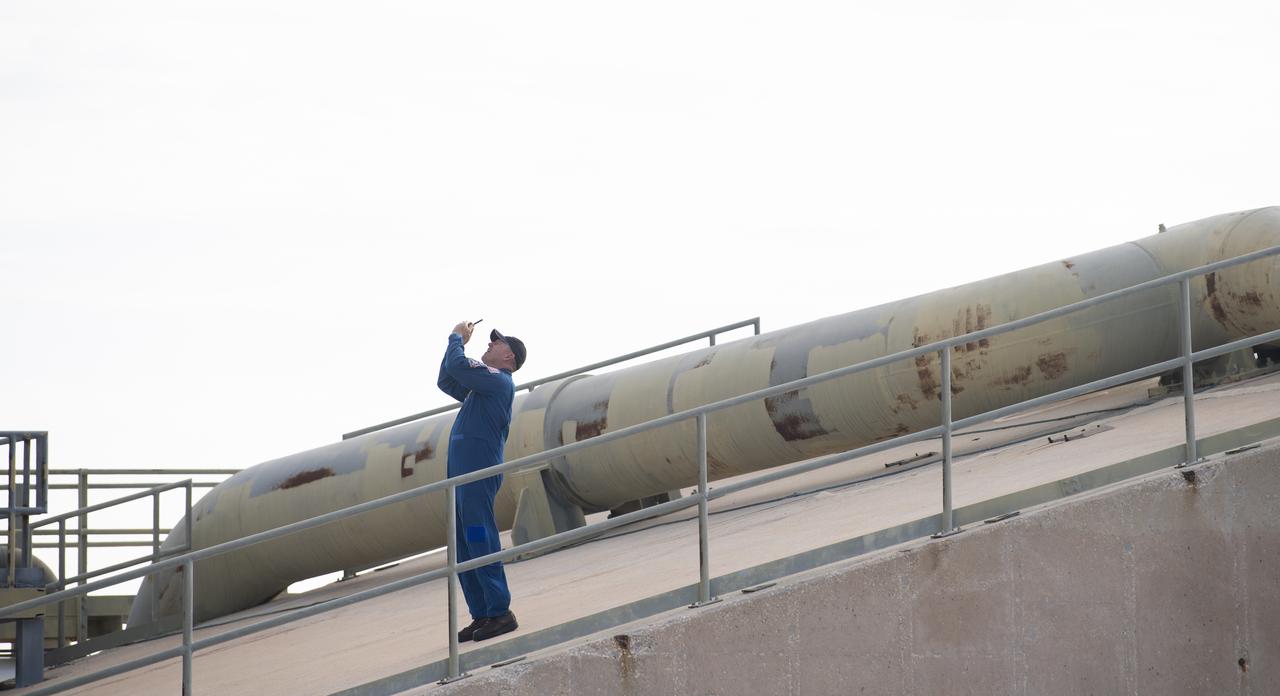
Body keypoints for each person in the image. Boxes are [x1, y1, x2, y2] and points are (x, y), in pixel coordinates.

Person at [437, 320, 527, 642]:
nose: (490, 344)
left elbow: (458, 364)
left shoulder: (499, 381)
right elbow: (447, 378)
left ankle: (500, 611)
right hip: (462, 477)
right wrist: (453, 347)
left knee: (479, 538)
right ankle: (483, 613)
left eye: (497, 343)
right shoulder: (483, 388)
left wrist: (457, 338)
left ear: (510, 359)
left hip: (477, 474)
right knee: (463, 546)